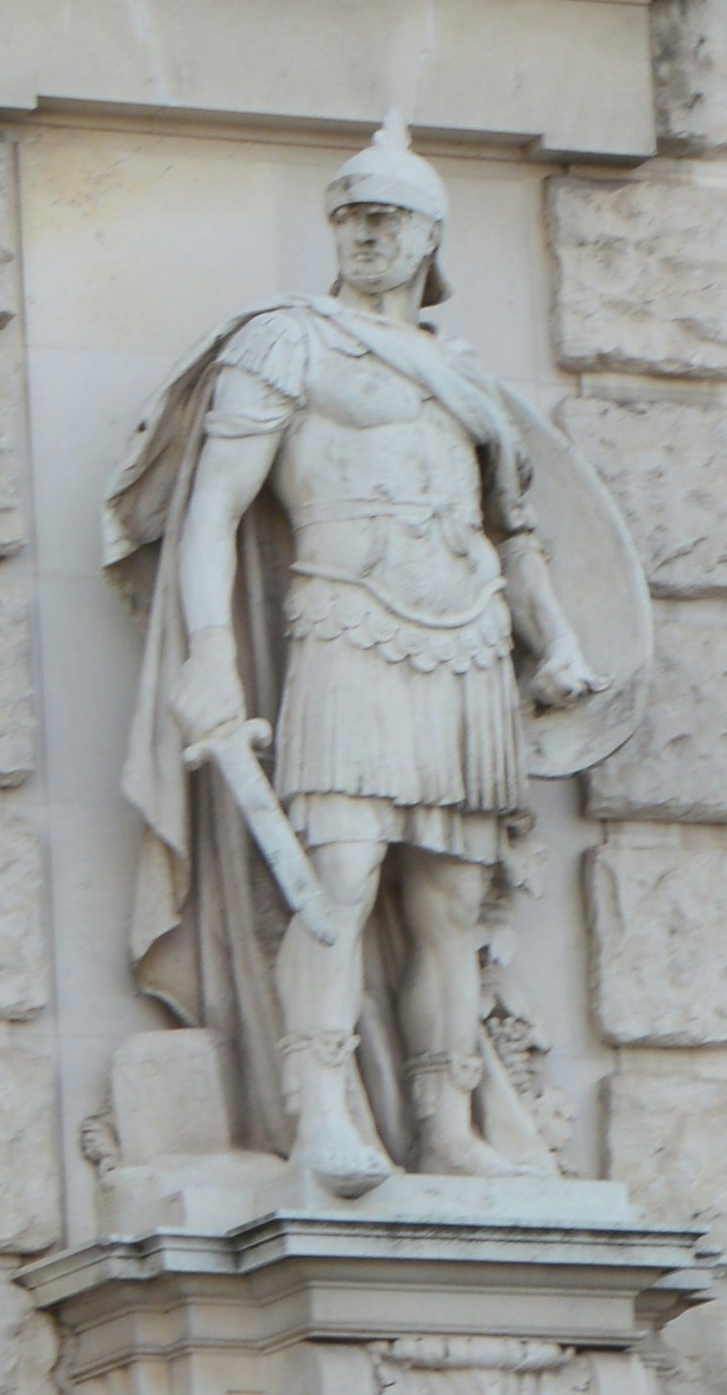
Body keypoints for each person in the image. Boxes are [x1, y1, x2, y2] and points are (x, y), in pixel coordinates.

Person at [112, 120, 646, 1195]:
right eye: (350, 216)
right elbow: (212, 513)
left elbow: (513, 533)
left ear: (429, 238)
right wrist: (210, 656)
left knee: (449, 901)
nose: (363, 233)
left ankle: (446, 1122)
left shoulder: (466, 379)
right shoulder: (287, 342)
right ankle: (317, 1110)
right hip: (343, 627)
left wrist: (560, 645)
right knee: (339, 875)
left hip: (463, 646)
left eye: (386, 217)